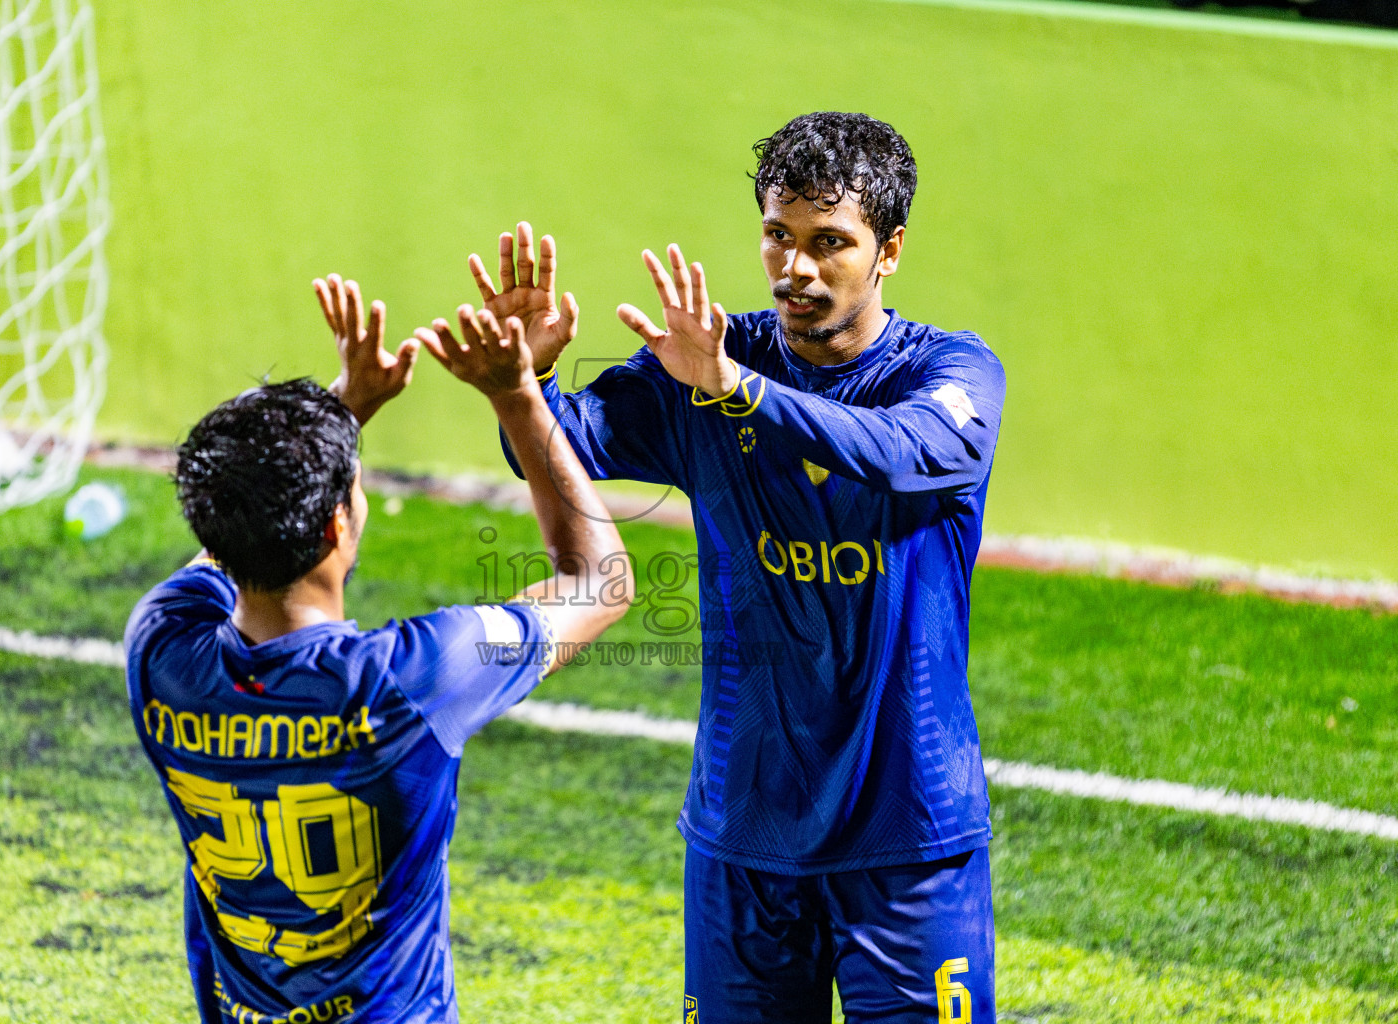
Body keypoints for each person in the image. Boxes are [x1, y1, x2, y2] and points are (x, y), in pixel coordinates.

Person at [473, 112, 1004, 1022]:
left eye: (829, 242)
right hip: (744, 833)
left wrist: (737, 391)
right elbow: (552, 453)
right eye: (777, 236)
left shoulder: (951, 373)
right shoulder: (707, 359)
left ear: (891, 251)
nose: (795, 267)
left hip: (909, 838)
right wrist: (528, 386)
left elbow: (896, 451)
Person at [124, 277, 631, 1024]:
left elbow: (228, 532)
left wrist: (345, 405)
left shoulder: (161, 650)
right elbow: (600, 581)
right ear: (338, 526)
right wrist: (519, 392)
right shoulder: (410, 680)